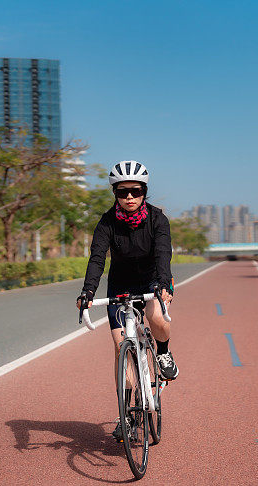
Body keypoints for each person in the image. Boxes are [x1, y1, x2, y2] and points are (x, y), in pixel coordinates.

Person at [76, 160, 177, 442]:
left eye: (135, 191)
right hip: (120, 285)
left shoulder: (158, 219)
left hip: (153, 280)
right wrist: (88, 292)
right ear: (115, 194)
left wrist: (163, 284)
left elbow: (162, 253)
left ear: (144, 191)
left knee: (157, 318)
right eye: (122, 192)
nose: (129, 197)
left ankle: (164, 352)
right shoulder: (107, 222)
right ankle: (128, 415)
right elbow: (97, 258)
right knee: (121, 348)